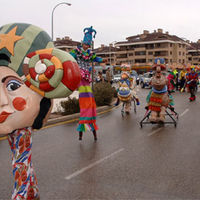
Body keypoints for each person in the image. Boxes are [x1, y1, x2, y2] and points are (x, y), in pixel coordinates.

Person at [0, 23, 81, 200]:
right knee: (22, 156)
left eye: (12, 85)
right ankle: (31, 189)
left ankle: (22, 193)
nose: (2, 100)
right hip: (17, 125)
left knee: (20, 158)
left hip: (23, 126)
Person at [70, 26, 106, 141]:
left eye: (88, 45)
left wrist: (102, 60)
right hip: (79, 74)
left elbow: (97, 59)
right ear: (82, 43)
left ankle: (89, 113)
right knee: (84, 96)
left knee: (89, 97)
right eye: (86, 44)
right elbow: (70, 57)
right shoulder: (76, 51)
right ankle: (85, 119)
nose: (87, 46)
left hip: (86, 76)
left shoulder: (90, 54)